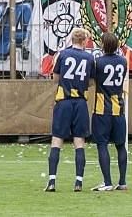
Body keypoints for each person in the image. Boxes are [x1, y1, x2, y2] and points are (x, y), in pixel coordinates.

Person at [45, 28, 95, 193]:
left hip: (64, 101)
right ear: (84, 41)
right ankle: (78, 182)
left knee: (57, 141)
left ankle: (52, 181)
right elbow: (91, 82)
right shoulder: (89, 57)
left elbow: (55, 78)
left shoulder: (62, 54)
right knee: (79, 142)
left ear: (72, 39)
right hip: (80, 102)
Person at [90, 32, 129, 192]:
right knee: (120, 145)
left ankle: (107, 182)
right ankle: (123, 181)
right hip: (118, 108)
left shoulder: (97, 62)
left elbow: (92, 82)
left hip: (102, 109)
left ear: (103, 45)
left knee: (102, 144)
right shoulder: (123, 61)